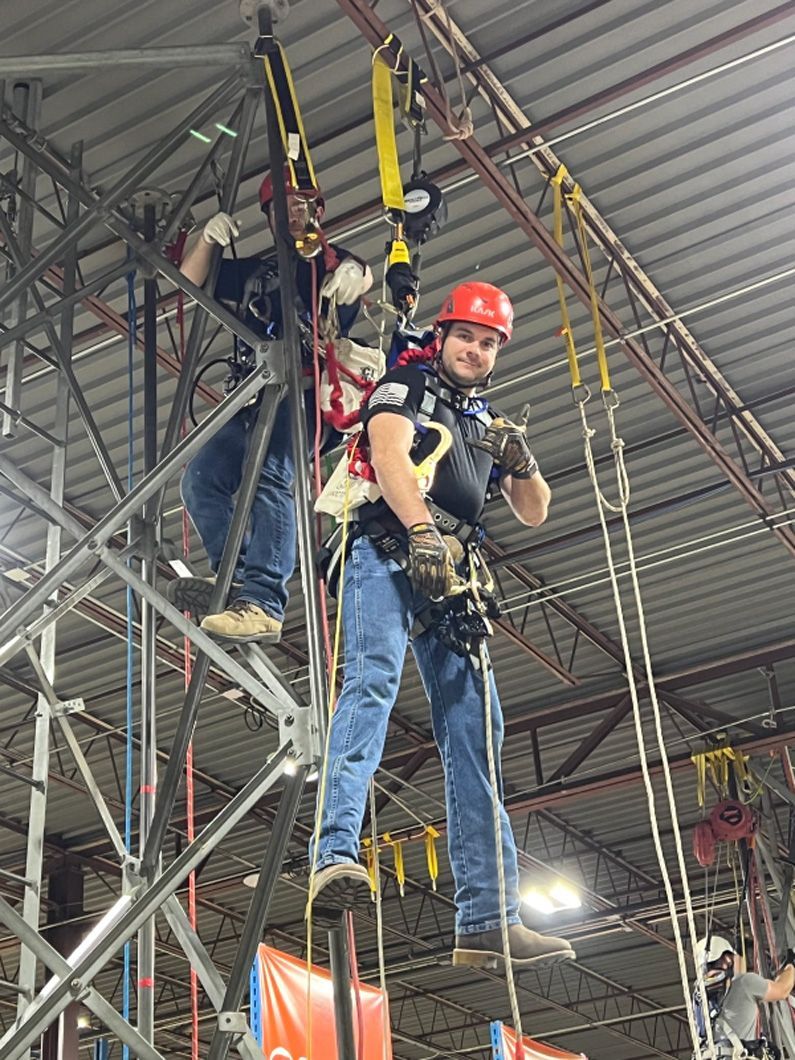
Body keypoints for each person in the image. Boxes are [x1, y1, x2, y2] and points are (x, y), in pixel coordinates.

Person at [309, 282, 576, 969]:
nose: (476, 350)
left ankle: (486, 918)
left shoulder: (484, 421)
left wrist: (518, 461)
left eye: (488, 343)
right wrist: (422, 535)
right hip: (385, 549)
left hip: (451, 569)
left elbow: (533, 509)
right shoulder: (407, 387)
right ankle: (334, 852)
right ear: (443, 333)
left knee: (475, 731)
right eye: (467, 336)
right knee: (369, 683)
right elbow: (389, 454)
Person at [170, 172, 372, 643]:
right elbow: (190, 281)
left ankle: (263, 599)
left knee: (270, 475)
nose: (293, 212)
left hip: (305, 395)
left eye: (301, 204)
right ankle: (235, 579)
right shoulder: (257, 274)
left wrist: (356, 274)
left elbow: (359, 276)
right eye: (283, 206)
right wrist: (205, 241)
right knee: (200, 480)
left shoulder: (331, 265)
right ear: (269, 215)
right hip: (252, 395)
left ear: (317, 210)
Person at [694, 934, 794, 1057]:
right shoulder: (745, 984)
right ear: (726, 959)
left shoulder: (701, 999)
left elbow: (737, 983)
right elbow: (782, 990)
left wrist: (740, 952)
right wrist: (790, 965)